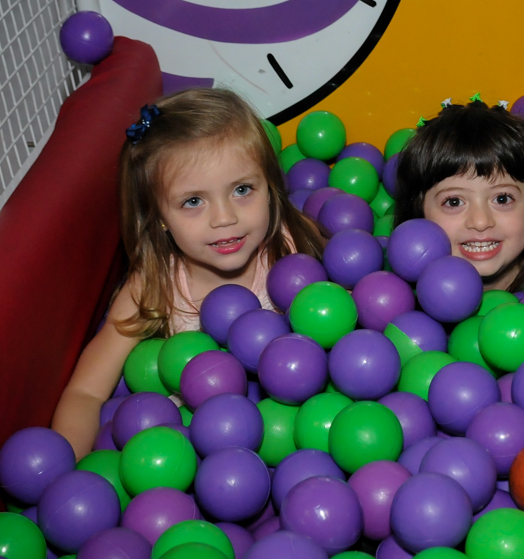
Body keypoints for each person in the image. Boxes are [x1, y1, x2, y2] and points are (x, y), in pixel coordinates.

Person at [52, 88, 323, 457]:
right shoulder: (154, 287)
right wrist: (69, 467)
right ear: (159, 217)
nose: (224, 218)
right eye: (193, 201)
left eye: (242, 189)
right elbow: (86, 392)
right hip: (186, 450)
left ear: (270, 188)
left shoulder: (290, 248)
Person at [394, 98, 524, 292]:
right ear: (419, 214)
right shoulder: (398, 298)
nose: (480, 221)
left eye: (502, 199)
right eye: (454, 202)